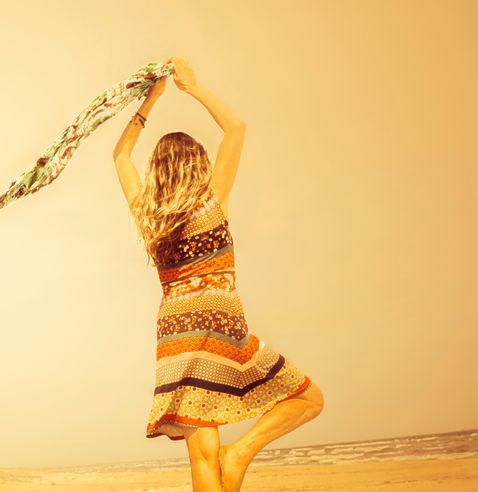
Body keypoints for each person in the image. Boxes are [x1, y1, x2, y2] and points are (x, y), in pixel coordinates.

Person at [112, 56, 326, 492]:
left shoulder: (148, 214)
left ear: (158, 171)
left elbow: (120, 155)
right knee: (308, 398)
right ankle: (242, 451)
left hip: (175, 332)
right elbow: (237, 127)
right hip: (218, 322)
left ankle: (233, 456)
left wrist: (149, 102)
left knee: (202, 453)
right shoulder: (211, 201)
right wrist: (190, 86)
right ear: (197, 163)